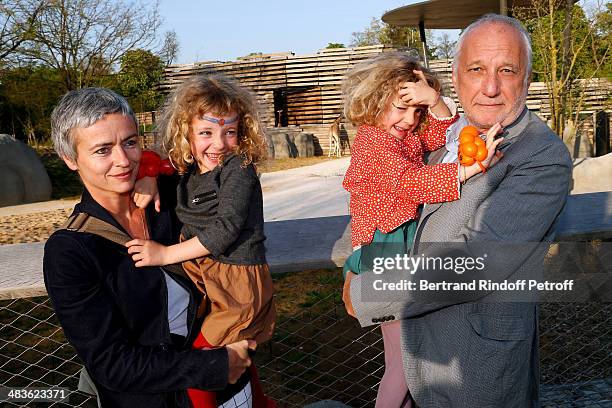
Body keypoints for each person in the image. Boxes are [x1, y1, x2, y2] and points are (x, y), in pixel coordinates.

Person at [343, 14, 573, 408]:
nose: (490, 87)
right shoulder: (434, 133)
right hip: (416, 352)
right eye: (477, 69)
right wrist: (353, 261)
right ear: (455, 74)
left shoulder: (540, 156)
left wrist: (368, 290)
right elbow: (378, 196)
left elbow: (478, 262)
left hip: (473, 369)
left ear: (527, 78)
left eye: (507, 70)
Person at [43, 87, 255, 408]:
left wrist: (155, 169)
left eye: (130, 142)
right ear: (71, 159)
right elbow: (111, 364)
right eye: (102, 150)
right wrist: (214, 366)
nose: (123, 160)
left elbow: (227, 180)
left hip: (226, 383)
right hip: (157, 397)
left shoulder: (171, 200)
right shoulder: (71, 252)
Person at [340, 52, 502, 407]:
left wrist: (436, 101)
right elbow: (410, 182)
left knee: (401, 357)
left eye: (417, 111)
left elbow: (443, 135)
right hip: (385, 246)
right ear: (375, 100)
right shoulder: (373, 141)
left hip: (394, 242)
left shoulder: (401, 135)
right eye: (401, 107)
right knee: (402, 363)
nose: (411, 119)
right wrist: (467, 171)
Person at [126, 74, 276, 408]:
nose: (219, 144)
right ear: (187, 135)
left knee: (202, 366)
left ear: (243, 133)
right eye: (206, 132)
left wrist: (164, 254)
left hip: (237, 285)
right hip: (207, 277)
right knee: (236, 357)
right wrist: (149, 175)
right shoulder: (190, 171)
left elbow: (225, 228)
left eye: (230, 132)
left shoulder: (239, 168)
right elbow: (154, 159)